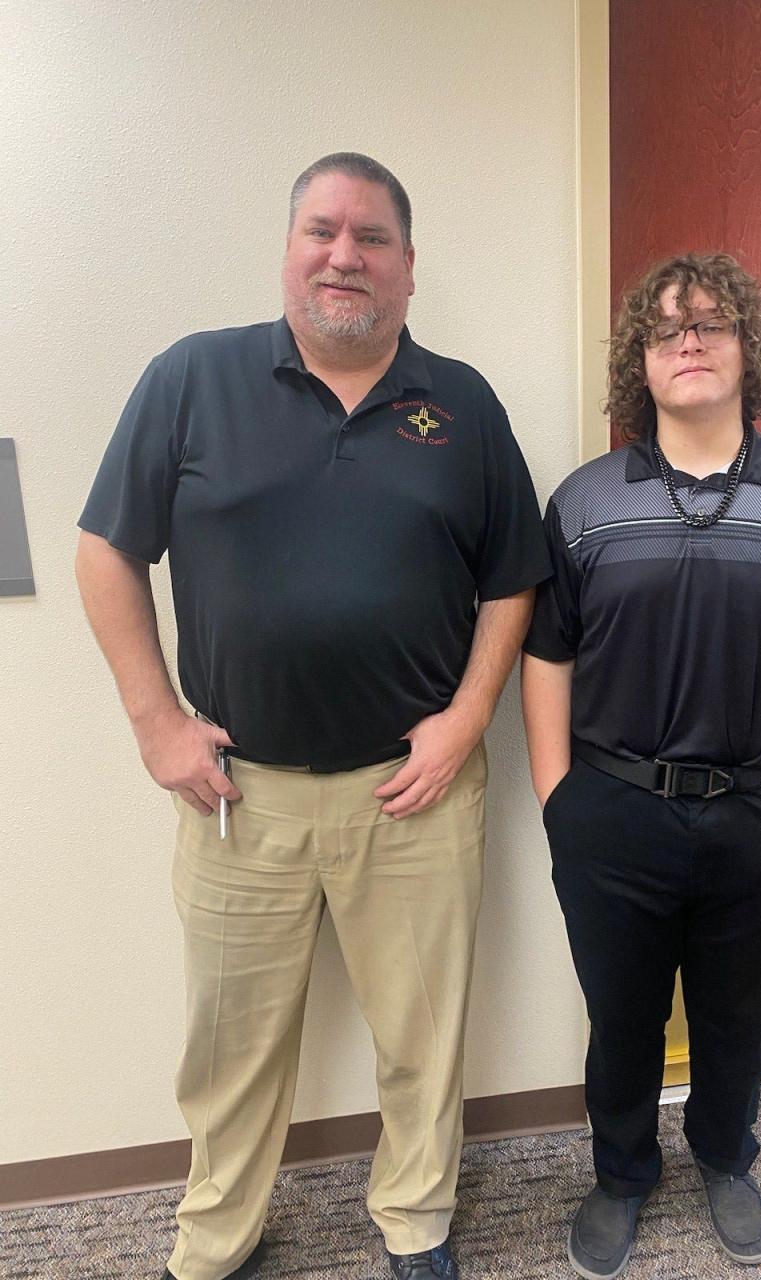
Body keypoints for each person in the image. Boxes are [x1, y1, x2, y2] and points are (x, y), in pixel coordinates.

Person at [76, 152, 550, 1280]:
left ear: (408, 267)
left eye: (371, 236)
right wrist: (157, 724)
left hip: (416, 789)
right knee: (230, 1046)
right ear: (288, 249)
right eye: (322, 231)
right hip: (241, 794)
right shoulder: (192, 378)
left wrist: (466, 718)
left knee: (422, 1036)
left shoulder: (463, 403)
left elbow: (512, 578)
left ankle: (416, 1220)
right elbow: (106, 548)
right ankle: (218, 1234)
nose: (345, 254)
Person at [521, 252, 761, 1278]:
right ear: (639, 364)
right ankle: (622, 1173)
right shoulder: (587, 501)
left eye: (712, 324)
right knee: (623, 1018)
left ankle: (727, 1157)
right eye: (666, 329)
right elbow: (547, 652)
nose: (688, 341)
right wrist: (561, 799)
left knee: (742, 1016)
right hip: (614, 813)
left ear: (749, 350)